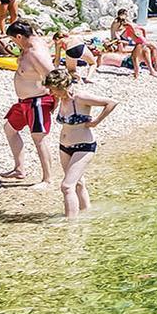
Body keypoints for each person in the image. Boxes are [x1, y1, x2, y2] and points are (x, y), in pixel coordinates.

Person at [45, 69, 116, 219]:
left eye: (53, 89)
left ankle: (70, 224)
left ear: (62, 86)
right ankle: (86, 215)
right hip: (64, 147)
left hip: (84, 146)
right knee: (78, 183)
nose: (51, 93)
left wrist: (96, 122)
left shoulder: (80, 97)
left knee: (66, 186)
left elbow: (111, 103)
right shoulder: (61, 99)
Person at [0, 21, 57, 184]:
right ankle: (19, 169)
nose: (13, 43)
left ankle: (47, 179)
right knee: (10, 129)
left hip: (38, 101)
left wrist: (56, 100)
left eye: (13, 40)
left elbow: (53, 75)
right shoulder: (30, 44)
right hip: (24, 101)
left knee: (39, 138)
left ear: (19, 36)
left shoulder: (34, 53)